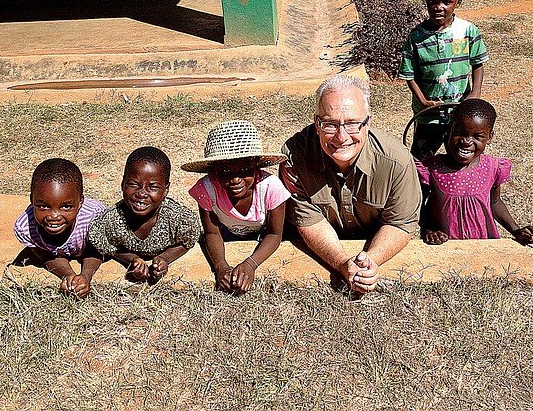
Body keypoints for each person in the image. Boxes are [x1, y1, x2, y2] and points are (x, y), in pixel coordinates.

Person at [280, 75, 422, 294]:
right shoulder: (294, 157)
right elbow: (309, 221)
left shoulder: (397, 161)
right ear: (317, 124)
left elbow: (401, 223)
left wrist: (370, 262)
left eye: (353, 124)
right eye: (330, 124)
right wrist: (342, 263)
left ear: (368, 122)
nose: (341, 136)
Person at [184, 120, 290, 293]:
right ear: (214, 169)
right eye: (225, 172)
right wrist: (221, 267)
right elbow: (211, 232)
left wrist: (250, 264)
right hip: (226, 234)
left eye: (245, 170)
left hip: (262, 235)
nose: (235, 180)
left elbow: (274, 234)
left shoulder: (271, 187)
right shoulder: (207, 189)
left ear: (256, 166)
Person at [416, 98, 533, 245]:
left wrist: (515, 229)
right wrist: (429, 229)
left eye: (477, 136)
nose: (466, 142)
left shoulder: (493, 167)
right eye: (459, 133)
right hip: (444, 246)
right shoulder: (431, 169)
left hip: (483, 245)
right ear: (448, 131)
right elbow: (418, 206)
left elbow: (495, 202)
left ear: (489, 137)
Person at [398, 0, 489, 160]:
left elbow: (478, 63)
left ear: (458, 3)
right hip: (428, 114)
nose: (438, 7)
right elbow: (409, 74)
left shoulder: (468, 31)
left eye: (446, 2)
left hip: (460, 113)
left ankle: (454, 190)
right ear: (426, 0)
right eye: (433, 0)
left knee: (461, 158)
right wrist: (423, 102)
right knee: (420, 160)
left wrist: (474, 95)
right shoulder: (416, 37)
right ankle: (422, 190)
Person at [88, 146, 200, 284]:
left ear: (166, 190)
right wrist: (132, 260)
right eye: (133, 184)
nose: (141, 193)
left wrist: (165, 258)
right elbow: (110, 249)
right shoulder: (111, 221)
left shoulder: (177, 219)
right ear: (123, 183)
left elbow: (187, 242)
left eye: (152, 187)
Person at [13, 158, 106, 298]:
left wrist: (86, 276)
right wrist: (69, 275)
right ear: (32, 199)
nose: (54, 216)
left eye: (66, 207)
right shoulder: (26, 227)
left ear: (80, 202)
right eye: (43, 206)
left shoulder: (93, 218)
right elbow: (46, 255)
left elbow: (95, 250)